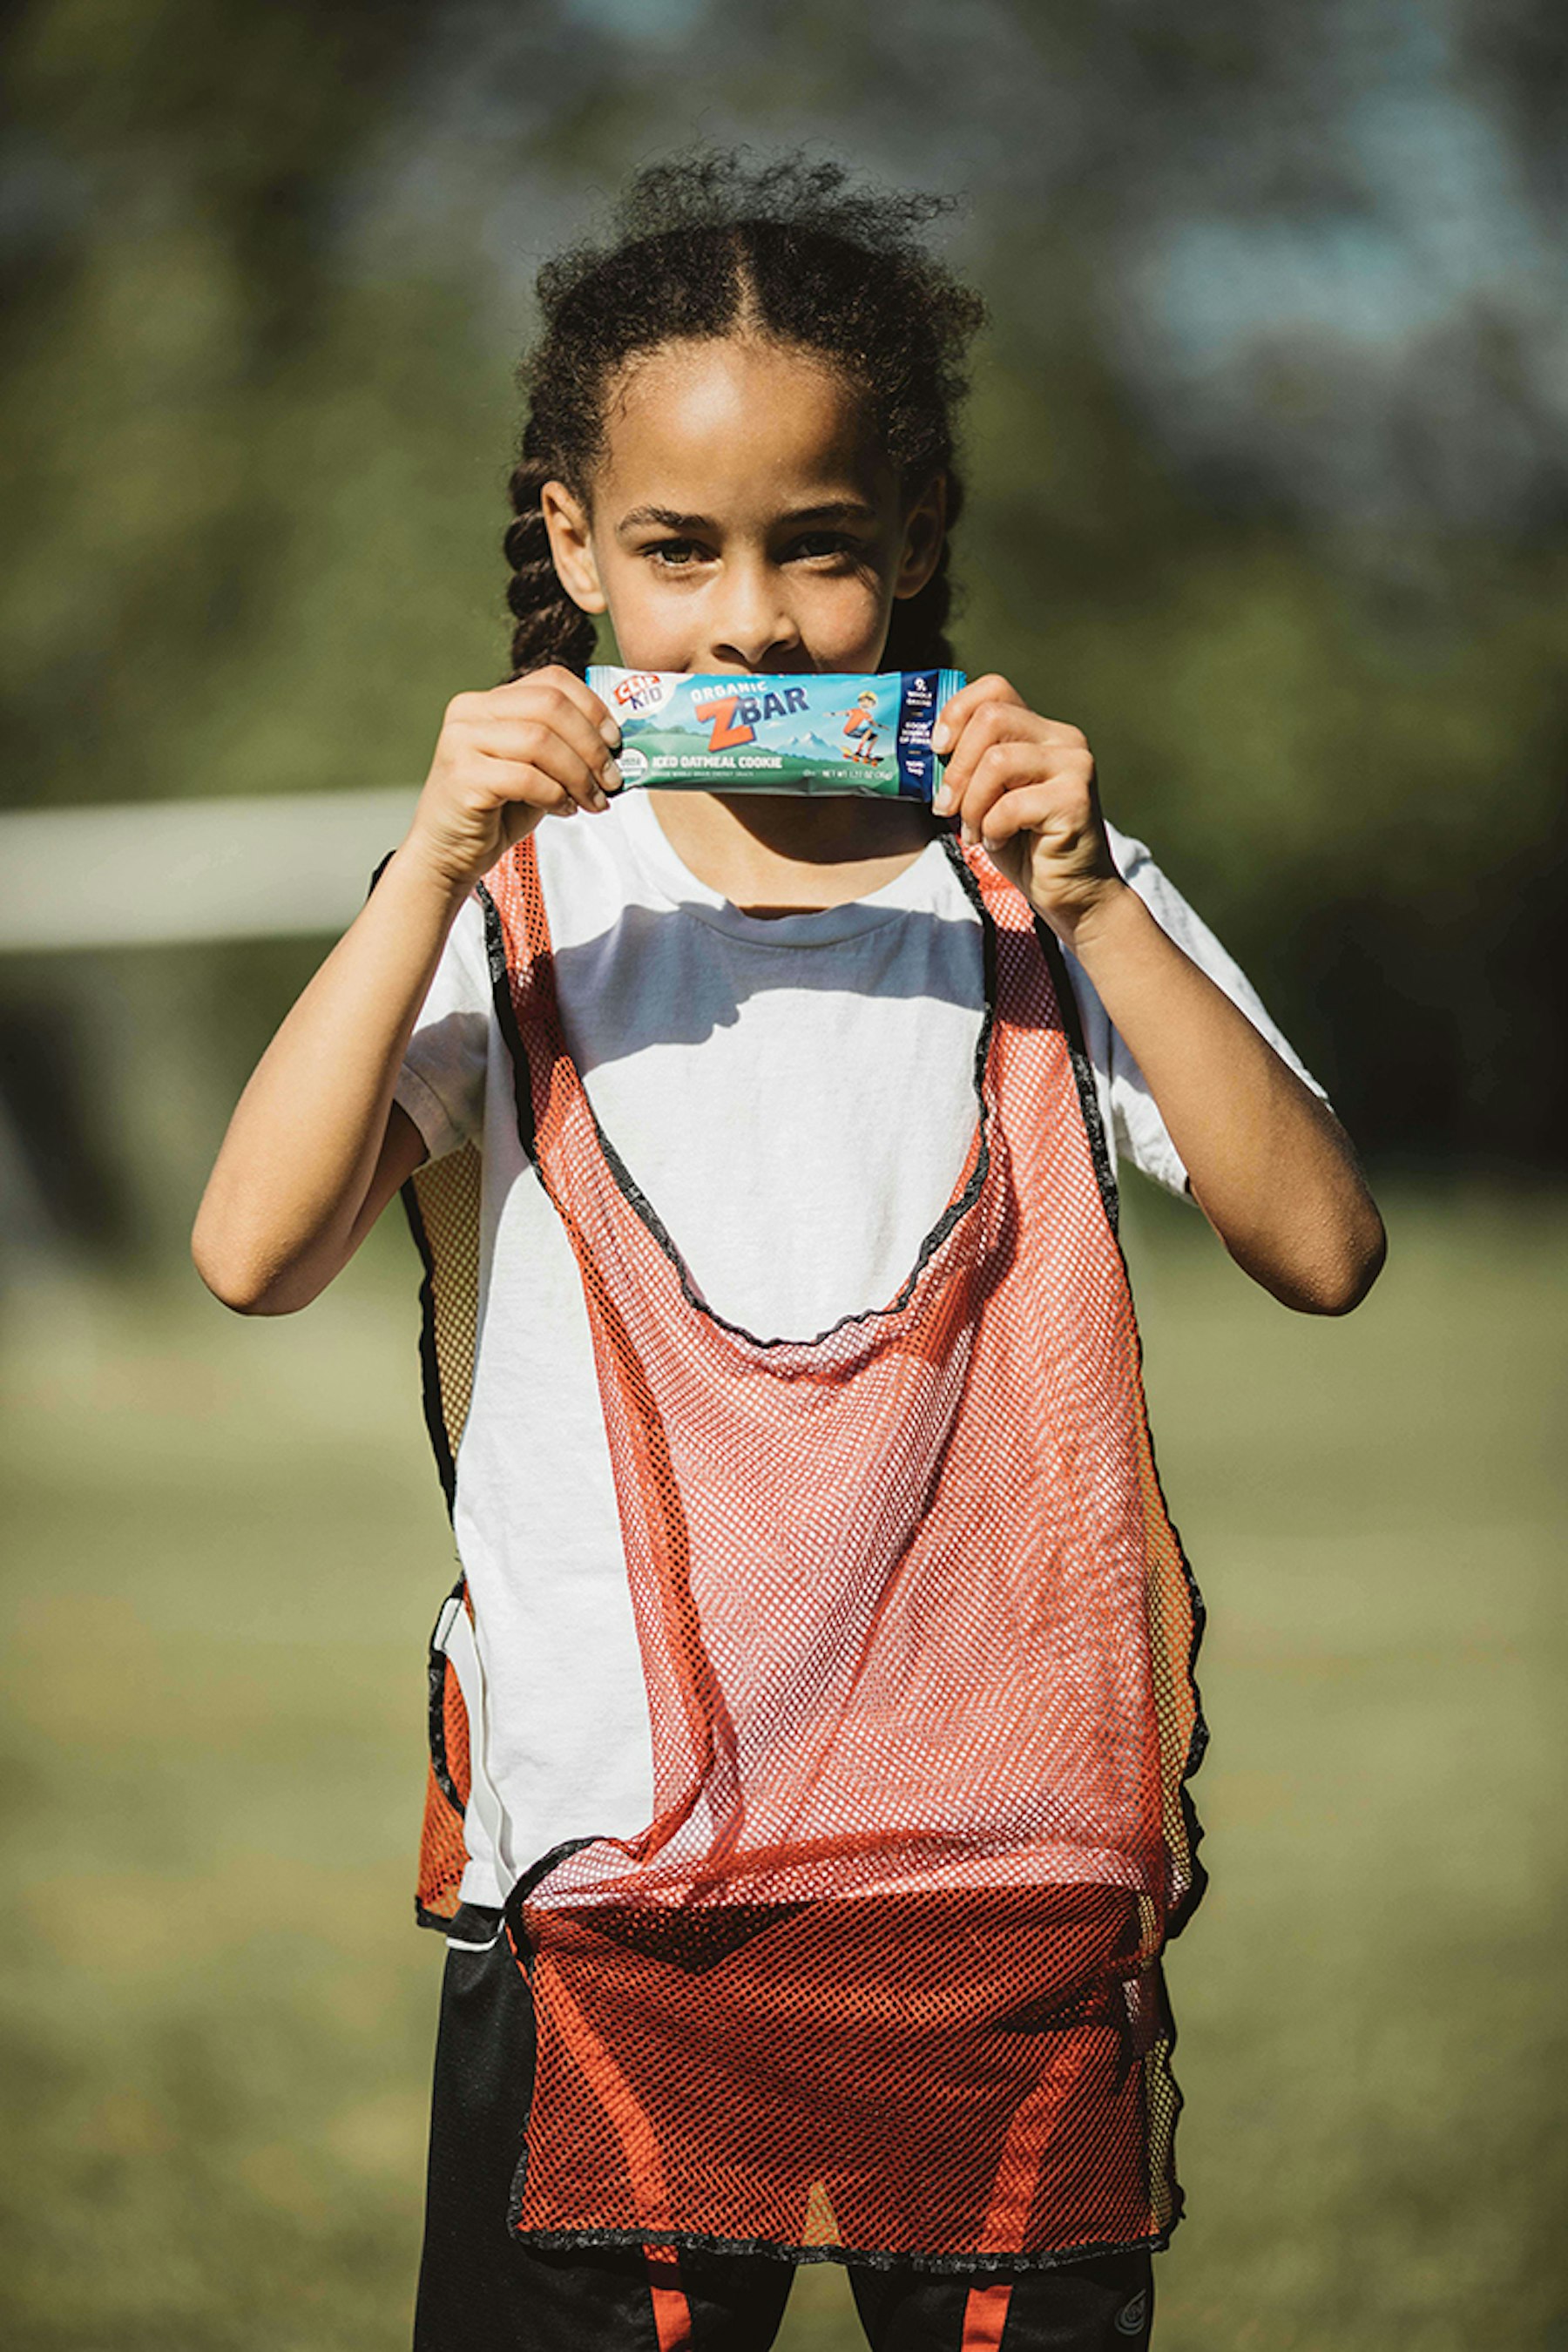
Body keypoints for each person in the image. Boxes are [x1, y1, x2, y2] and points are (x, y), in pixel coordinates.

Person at [192, 151, 1385, 2352]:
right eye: (678, 551)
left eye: (820, 547)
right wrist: (430, 863)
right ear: (573, 547)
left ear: (916, 540)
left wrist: (1101, 887)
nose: (752, 621)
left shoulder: (1040, 894)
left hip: (997, 1880)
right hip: (615, 1878)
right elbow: (254, 1249)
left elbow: (1322, 1246)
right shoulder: (530, 904)